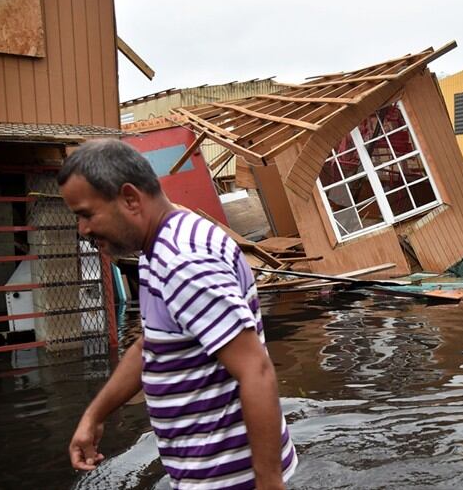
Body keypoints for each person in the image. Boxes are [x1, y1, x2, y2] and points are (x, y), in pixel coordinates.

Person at [59, 139, 297, 489]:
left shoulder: (183, 263)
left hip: (232, 480)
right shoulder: (163, 245)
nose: (83, 230)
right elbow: (151, 346)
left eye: (86, 214)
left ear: (130, 199)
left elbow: (256, 370)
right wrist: (94, 416)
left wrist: (269, 483)